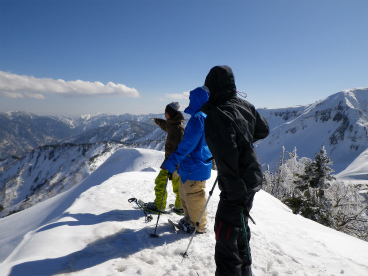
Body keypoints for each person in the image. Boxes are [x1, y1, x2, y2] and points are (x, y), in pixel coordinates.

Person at [201, 65, 269, 276]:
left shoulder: (218, 113)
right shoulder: (244, 105)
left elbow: (226, 154)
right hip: (251, 179)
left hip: (235, 187)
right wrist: (244, 142)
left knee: (225, 238)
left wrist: (233, 191)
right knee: (239, 230)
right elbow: (263, 129)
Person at [163, 87, 212, 233]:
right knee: (185, 195)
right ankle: (189, 219)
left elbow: (188, 145)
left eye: (191, 99)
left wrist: (172, 161)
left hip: (194, 166)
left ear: (197, 99)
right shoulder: (201, 116)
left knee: (194, 197)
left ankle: (199, 226)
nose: (189, 101)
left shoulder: (199, 118)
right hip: (190, 166)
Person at [146, 102, 184, 213]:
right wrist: (157, 121)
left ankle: (159, 205)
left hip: (172, 163)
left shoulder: (178, 130)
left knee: (160, 181)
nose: (165, 114)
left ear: (171, 113)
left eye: (166, 112)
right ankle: (180, 206)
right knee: (177, 186)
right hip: (172, 163)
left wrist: (176, 167)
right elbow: (165, 125)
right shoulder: (173, 125)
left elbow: (179, 150)